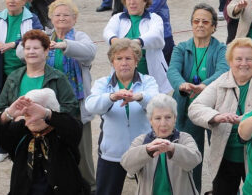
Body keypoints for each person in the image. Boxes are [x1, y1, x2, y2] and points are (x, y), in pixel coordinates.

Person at [167, 3, 229, 192]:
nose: (200, 25)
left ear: (213, 27)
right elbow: (172, 71)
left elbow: (223, 70)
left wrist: (204, 86)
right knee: (190, 155)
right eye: (196, 21)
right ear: (191, 24)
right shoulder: (181, 48)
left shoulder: (221, 49)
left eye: (205, 21)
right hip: (186, 108)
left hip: (214, 109)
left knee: (220, 156)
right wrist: (182, 85)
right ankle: (191, 190)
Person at [85, 38, 159, 195]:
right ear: (112, 62)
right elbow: (90, 105)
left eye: (128, 58)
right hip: (111, 151)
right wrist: (111, 97)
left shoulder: (148, 81)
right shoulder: (102, 83)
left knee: (152, 191)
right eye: (119, 58)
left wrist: (139, 97)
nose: (124, 62)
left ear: (136, 61)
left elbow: (157, 104)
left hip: (145, 149)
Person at [188, 38, 252, 195]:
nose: (244, 63)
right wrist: (216, 116)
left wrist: (249, 119)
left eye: (249, 59)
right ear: (230, 61)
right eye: (238, 59)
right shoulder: (220, 82)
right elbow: (195, 108)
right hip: (224, 157)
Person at [46, 0, 97, 192]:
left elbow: (90, 52)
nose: (61, 18)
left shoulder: (80, 36)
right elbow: (22, 51)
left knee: (82, 150)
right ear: (51, 18)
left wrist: (64, 45)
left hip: (76, 102)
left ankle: (90, 186)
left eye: (66, 15)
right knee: (53, 147)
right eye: (57, 15)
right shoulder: (44, 36)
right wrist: (40, 45)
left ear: (74, 19)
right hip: (51, 104)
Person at [0, 88, 88, 195]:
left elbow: (75, 128)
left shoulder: (61, 130)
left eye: (35, 112)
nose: (32, 118)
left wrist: (46, 114)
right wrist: (7, 114)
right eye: (27, 113)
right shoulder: (21, 130)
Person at [121, 94, 202, 195]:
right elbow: (126, 164)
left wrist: (173, 148)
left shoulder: (185, 138)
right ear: (150, 121)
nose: (163, 123)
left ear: (175, 119)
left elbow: (195, 160)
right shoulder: (141, 140)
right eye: (158, 118)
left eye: (168, 117)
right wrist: (147, 150)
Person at [0, 29, 77, 123]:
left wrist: (47, 114)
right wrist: (11, 115)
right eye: (27, 48)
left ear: (46, 51)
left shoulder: (58, 77)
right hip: (17, 134)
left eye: (36, 48)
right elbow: (0, 108)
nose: (31, 52)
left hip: (48, 134)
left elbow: (72, 108)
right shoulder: (13, 77)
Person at [103, 0, 172, 94]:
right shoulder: (117, 18)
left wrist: (136, 42)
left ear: (145, 2)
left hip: (151, 75)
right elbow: (108, 32)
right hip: (124, 75)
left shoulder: (155, 18)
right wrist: (114, 40)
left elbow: (156, 35)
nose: (132, 2)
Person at [0, 0, 43, 96]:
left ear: (24, 2)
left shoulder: (32, 19)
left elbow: (39, 37)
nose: (12, 1)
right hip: (0, 74)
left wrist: (14, 44)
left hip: (24, 71)